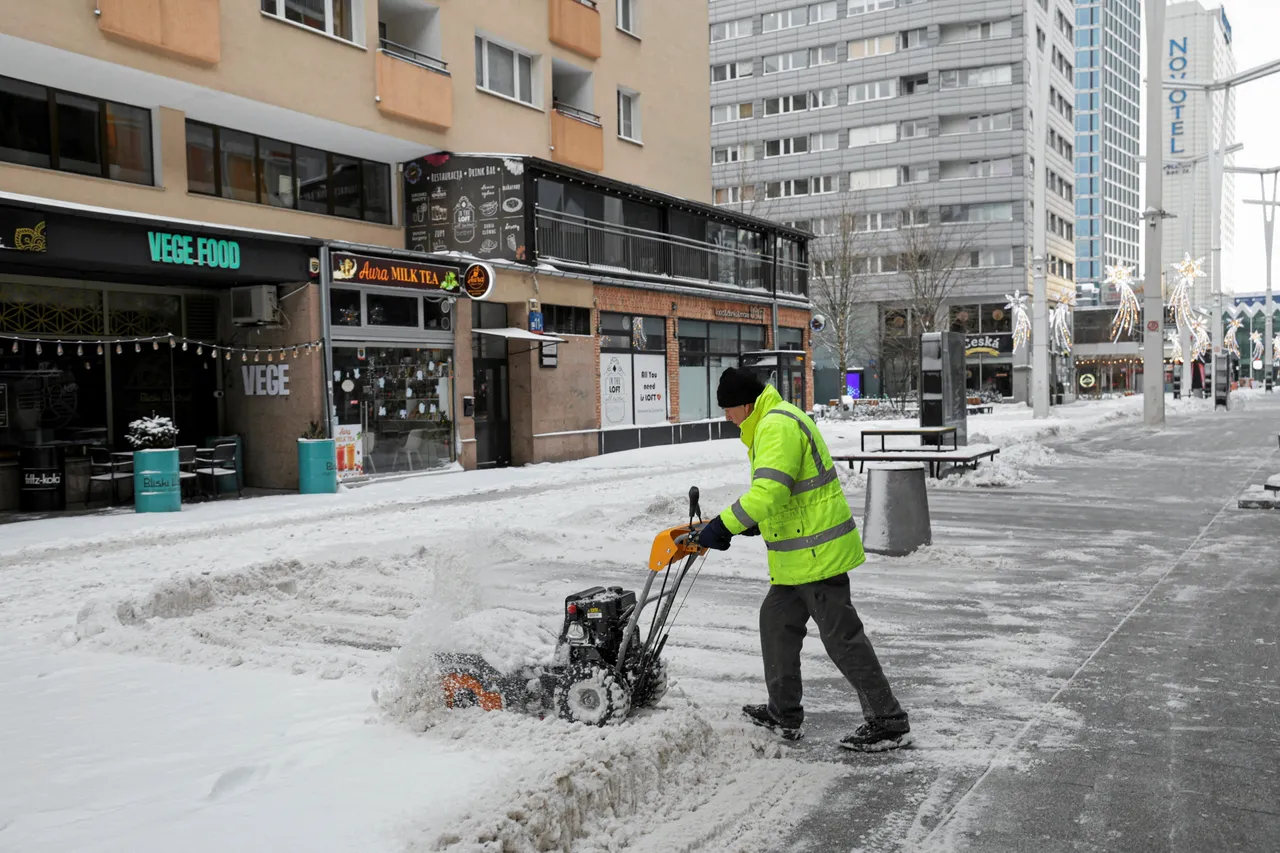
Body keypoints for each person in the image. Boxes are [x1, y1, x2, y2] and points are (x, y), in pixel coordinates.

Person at [695, 367, 911, 751]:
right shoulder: (773, 422)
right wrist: (754, 526)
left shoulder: (776, 425)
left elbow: (769, 493)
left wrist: (722, 525)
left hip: (817, 555)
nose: (726, 417)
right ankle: (784, 715)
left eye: (728, 409)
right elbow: (789, 494)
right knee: (776, 625)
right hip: (797, 558)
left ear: (746, 404)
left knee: (843, 639)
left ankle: (888, 721)